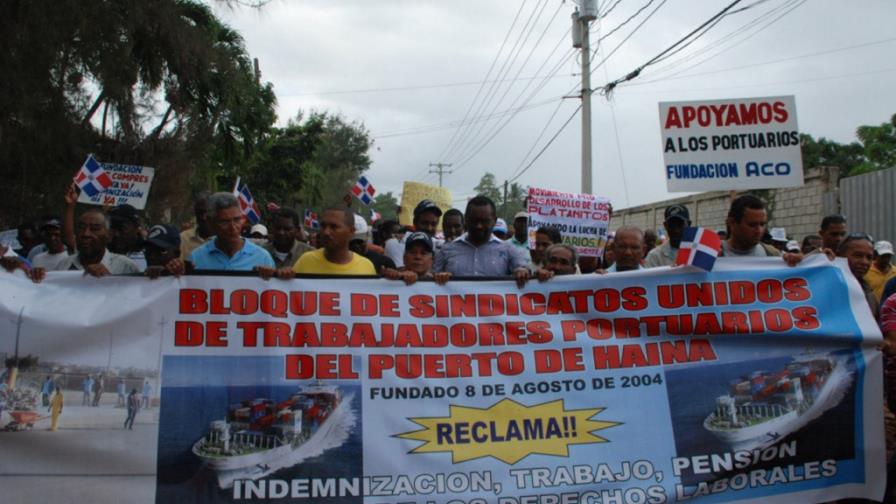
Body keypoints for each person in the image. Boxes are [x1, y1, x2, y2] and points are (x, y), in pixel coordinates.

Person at [434, 195, 530, 287]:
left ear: (494, 221)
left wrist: (523, 272)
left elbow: (524, 270)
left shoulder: (508, 250)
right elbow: (430, 280)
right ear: (466, 219)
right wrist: (438, 277)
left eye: (485, 221)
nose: (479, 226)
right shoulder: (446, 250)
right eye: (474, 221)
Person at [189, 192, 275, 271]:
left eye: (237, 220)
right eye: (224, 222)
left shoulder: (262, 258)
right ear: (210, 222)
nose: (233, 227)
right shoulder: (196, 258)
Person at [288, 207, 377, 276]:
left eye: (334, 227)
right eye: (323, 226)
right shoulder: (305, 261)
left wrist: (389, 281)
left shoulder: (366, 267)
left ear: (351, 231)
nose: (326, 232)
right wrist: (281, 276)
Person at [720, 195, 801, 266]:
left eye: (762, 224)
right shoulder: (714, 253)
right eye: (752, 225)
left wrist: (799, 262)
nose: (759, 231)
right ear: (732, 222)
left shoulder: (772, 253)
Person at [55, 210, 140, 276]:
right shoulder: (63, 265)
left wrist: (109, 280)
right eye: (81, 228)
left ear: (109, 235)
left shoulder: (126, 267)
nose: (86, 234)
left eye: (94, 229)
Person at [385, 200, 443, 267]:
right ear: (415, 222)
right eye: (424, 223)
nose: (429, 228)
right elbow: (400, 273)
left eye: (433, 224)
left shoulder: (440, 245)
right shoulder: (395, 244)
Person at [838, 233, 877, 317]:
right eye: (858, 255)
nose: (865, 262)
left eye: (869, 257)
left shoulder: (870, 294)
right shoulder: (824, 288)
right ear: (840, 256)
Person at [107, 204, 147, 271]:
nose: (116, 234)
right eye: (112, 228)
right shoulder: (99, 255)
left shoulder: (149, 256)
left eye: (122, 228)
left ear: (137, 228)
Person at [180, 192, 213, 259]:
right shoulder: (183, 238)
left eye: (207, 212)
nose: (203, 217)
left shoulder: (225, 239)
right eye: (200, 212)